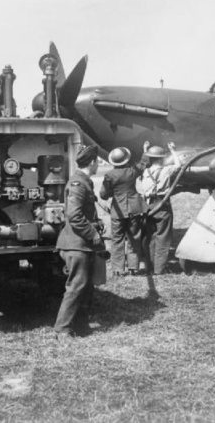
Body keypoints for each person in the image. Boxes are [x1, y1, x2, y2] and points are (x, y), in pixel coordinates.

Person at [54, 145, 105, 338]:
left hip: (82, 244)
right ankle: (63, 330)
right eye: (97, 161)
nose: (98, 164)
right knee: (76, 286)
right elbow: (74, 216)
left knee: (86, 286)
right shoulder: (78, 183)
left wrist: (96, 222)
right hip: (76, 244)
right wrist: (93, 234)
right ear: (92, 162)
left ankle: (81, 326)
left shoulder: (84, 182)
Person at [99, 143, 149, 276]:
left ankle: (118, 269)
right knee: (134, 238)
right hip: (134, 208)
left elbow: (103, 195)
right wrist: (145, 150)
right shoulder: (132, 171)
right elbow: (143, 163)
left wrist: (112, 193)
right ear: (126, 159)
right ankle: (133, 267)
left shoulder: (109, 175)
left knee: (117, 239)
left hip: (118, 211)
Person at [140, 142, 181, 275]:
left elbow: (144, 162)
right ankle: (159, 269)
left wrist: (145, 150)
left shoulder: (145, 171)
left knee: (150, 237)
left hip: (148, 205)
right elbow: (179, 165)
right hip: (162, 204)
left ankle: (150, 267)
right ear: (161, 159)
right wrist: (173, 150)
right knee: (163, 237)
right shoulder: (167, 170)